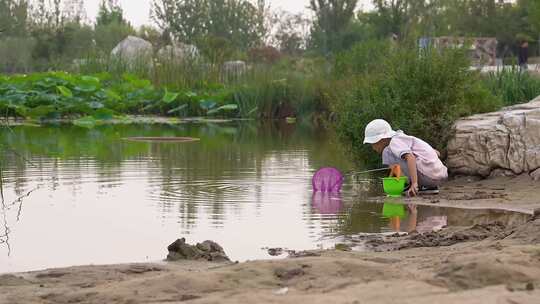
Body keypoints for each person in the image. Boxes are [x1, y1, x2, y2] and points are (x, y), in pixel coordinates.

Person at [363, 119, 448, 197]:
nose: (373, 148)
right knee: (402, 154)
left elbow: (410, 157)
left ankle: (408, 184)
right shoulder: (404, 138)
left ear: (382, 139)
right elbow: (437, 153)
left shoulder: (393, 142)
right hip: (438, 177)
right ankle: (428, 187)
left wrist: (414, 183)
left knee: (387, 152)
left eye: (373, 144)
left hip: (427, 176)